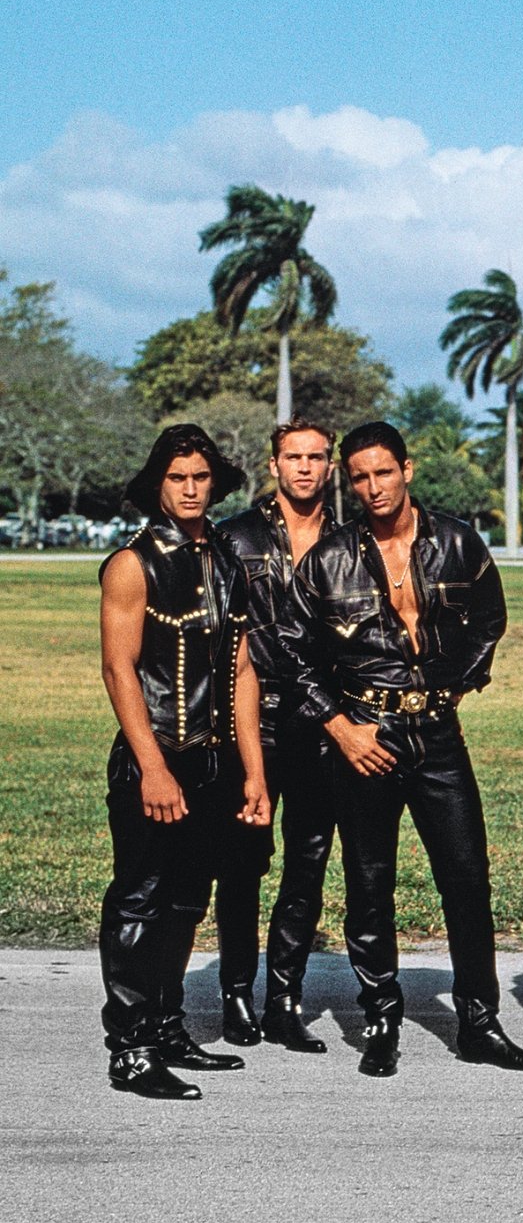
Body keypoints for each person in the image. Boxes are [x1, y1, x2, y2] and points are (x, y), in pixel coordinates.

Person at [276, 421, 523, 1078]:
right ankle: (380, 1021)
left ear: (407, 469)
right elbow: (292, 648)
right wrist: (341, 727)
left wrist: (457, 679)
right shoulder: (328, 560)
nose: (372, 487)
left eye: (383, 473)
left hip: (438, 736)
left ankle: (479, 1023)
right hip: (364, 734)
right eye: (360, 477)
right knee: (369, 885)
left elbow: (488, 617)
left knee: (467, 878)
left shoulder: (456, 542)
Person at [98, 424, 271, 1100]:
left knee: (184, 903)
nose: (191, 489)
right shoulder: (132, 564)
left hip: (215, 762)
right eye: (177, 478)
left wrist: (253, 772)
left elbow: (245, 671)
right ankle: (132, 1048)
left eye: (200, 477)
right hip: (156, 760)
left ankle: (168, 1028)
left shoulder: (227, 560)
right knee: (139, 901)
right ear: (157, 484)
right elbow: (118, 669)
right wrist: (153, 767)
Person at [218, 417, 339, 1052]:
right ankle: (236, 992)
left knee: (308, 863)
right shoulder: (232, 539)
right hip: (251, 724)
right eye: (293, 457)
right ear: (274, 465)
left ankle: (283, 1000)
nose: (305, 468)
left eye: (317, 457)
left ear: (330, 466)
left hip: (321, 726)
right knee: (242, 863)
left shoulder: (350, 543)